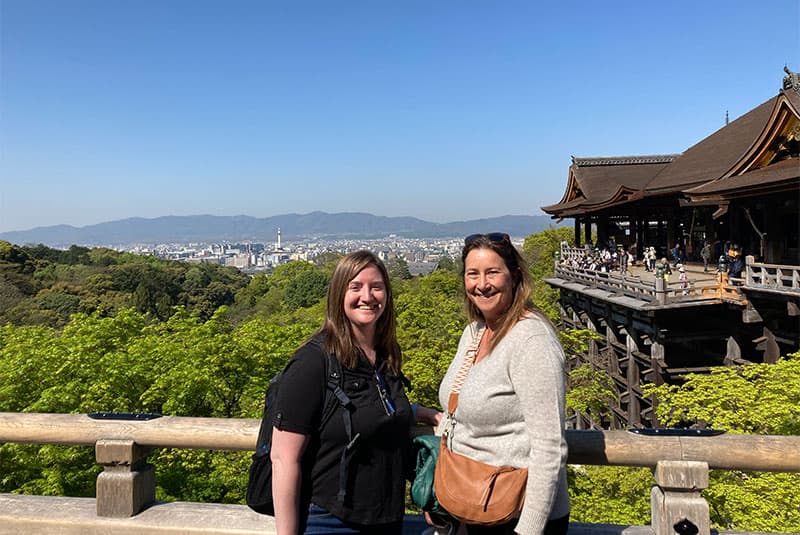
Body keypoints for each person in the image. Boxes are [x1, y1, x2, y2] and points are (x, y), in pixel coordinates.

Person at [270, 251, 440, 534]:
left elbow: (373, 411)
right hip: (329, 520)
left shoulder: (385, 357)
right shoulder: (314, 361)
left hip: (386, 518)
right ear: (338, 294)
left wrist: (422, 413)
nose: (368, 296)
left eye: (376, 287)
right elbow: (284, 458)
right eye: (355, 287)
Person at [436, 233, 570, 535]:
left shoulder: (531, 341)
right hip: (473, 501)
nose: (482, 284)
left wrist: (530, 529)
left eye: (492, 272)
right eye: (473, 274)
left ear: (515, 276)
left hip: (519, 512)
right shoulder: (475, 332)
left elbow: (549, 447)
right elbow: (458, 408)